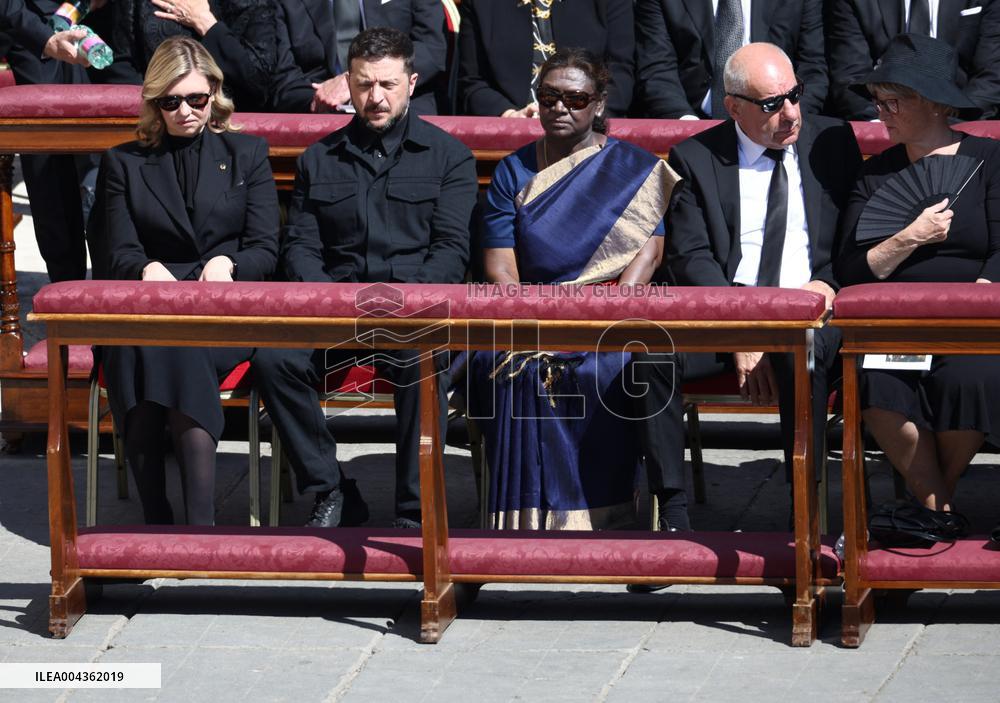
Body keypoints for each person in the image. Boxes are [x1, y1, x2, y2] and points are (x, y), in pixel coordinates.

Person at [252, 27, 477, 529]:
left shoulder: (450, 157)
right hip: (335, 310)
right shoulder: (318, 158)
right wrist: (333, 299)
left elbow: (450, 251)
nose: (375, 97)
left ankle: (415, 510)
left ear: (412, 83)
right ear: (348, 84)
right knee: (274, 361)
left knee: (422, 361)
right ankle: (330, 488)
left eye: (388, 84)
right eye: (363, 84)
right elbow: (302, 247)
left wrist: (401, 303)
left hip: (413, 312)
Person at [632, 43, 861, 534]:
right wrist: (742, 334)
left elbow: (857, 238)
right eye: (771, 104)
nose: (791, 114)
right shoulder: (694, 156)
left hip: (811, 309)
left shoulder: (833, 142)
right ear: (732, 106)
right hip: (728, 313)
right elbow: (692, 257)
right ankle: (670, 513)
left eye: (794, 96)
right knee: (649, 352)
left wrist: (828, 284)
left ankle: (807, 514)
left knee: (805, 352)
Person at [468, 48, 679, 530]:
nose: (559, 107)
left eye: (575, 98)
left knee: (609, 364)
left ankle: (606, 509)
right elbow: (501, 270)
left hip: (609, 312)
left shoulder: (636, 168)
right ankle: (525, 512)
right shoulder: (511, 172)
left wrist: (604, 314)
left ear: (600, 104)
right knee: (508, 364)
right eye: (548, 97)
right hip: (530, 312)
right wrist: (536, 321)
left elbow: (648, 254)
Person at [97, 36, 279, 524]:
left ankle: (172, 518)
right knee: (154, 343)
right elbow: (115, 248)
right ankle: (191, 520)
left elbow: (266, 246)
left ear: (214, 93)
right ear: (154, 104)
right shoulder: (124, 163)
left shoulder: (247, 154)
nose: (184, 111)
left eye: (196, 99)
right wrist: (144, 269)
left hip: (225, 309)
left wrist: (231, 264)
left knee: (167, 346)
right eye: (170, 101)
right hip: (147, 307)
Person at [834, 33, 1000, 512]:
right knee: (875, 379)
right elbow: (851, 268)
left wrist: (977, 309)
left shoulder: (990, 163)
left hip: (970, 323)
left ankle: (927, 510)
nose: (879, 114)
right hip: (893, 324)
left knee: (975, 375)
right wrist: (910, 237)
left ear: (932, 104)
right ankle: (938, 509)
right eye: (877, 103)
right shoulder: (875, 173)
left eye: (890, 103)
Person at [1, 0, 105, 282]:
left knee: (116, 168)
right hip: (35, 32)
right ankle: (67, 291)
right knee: (49, 174)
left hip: (113, 32)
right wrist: (44, 38)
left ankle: (119, 282)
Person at [634, 0, 827, 119]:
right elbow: (656, 69)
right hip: (694, 123)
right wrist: (687, 126)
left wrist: (787, 118)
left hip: (775, 121)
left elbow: (812, 68)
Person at [826, 0, 1000, 120]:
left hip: (957, 124)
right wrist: (883, 124)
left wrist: (944, 126)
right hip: (884, 127)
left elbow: (991, 76)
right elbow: (850, 74)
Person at [457, 0, 634, 118]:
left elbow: (619, 74)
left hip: (589, 131)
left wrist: (586, 117)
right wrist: (511, 116)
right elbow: (472, 82)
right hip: (511, 129)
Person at [268, 0, 446, 114]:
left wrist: (355, 82)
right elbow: (283, 79)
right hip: (322, 106)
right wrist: (320, 98)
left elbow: (431, 49)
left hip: (401, 100)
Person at [93, 0, 277, 110]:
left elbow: (258, 80)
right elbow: (121, 63)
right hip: (157, 120)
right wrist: (155, 107)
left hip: (224, 125)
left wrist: (205, 23)